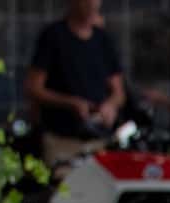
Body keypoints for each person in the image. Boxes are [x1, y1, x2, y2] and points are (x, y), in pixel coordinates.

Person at [26, 0, 127, 167]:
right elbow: (33, 88)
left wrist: (109, 106)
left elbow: (119, 92)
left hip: (99, 140)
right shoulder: (53, 36)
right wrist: (71, 103)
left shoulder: (103, 40)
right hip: (61, 140)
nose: (92, 5)